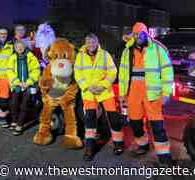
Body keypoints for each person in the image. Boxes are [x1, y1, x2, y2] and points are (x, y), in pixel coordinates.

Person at [118, 22, 174, 166]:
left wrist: (166, 93)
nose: (139, 36)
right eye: (136, 34)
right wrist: (122, 93)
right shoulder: (127, 51)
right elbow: (123, 73)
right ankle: (143, 145)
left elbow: (167, 71)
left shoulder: (156, 49)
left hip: (153, 94)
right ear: (133, 35)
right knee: (135, 123)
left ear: (146, 34)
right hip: (133, 94)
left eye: (142, 34)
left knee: (157, 126)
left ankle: (164, 156)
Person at [74, 33, 124, 161]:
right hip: (89, 92)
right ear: (85, 43)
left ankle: (118, 144)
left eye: (93, 42)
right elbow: (78, 73)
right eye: (88, 42)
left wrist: (103, 85)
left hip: (104, 91)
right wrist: (86, 86)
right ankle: (90, 148)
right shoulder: (80, 56)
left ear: (97, 42)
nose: (91, 45)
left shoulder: (105, 54)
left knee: (113, 117)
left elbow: (112, 71)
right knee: (90, 119)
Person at [7, 40, 40, 135]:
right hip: (17, 85)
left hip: (27, 86)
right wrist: (17, 82)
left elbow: (36, 70)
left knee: (24, 105)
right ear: (15, 48)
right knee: (14, 104)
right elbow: (9, 71)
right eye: (17, 47)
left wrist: (28, 82)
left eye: (21, 47)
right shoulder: (12, 57)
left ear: (25, 47)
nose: (19, 49)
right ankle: (15, 120)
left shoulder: (31, 57)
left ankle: (20, 125)